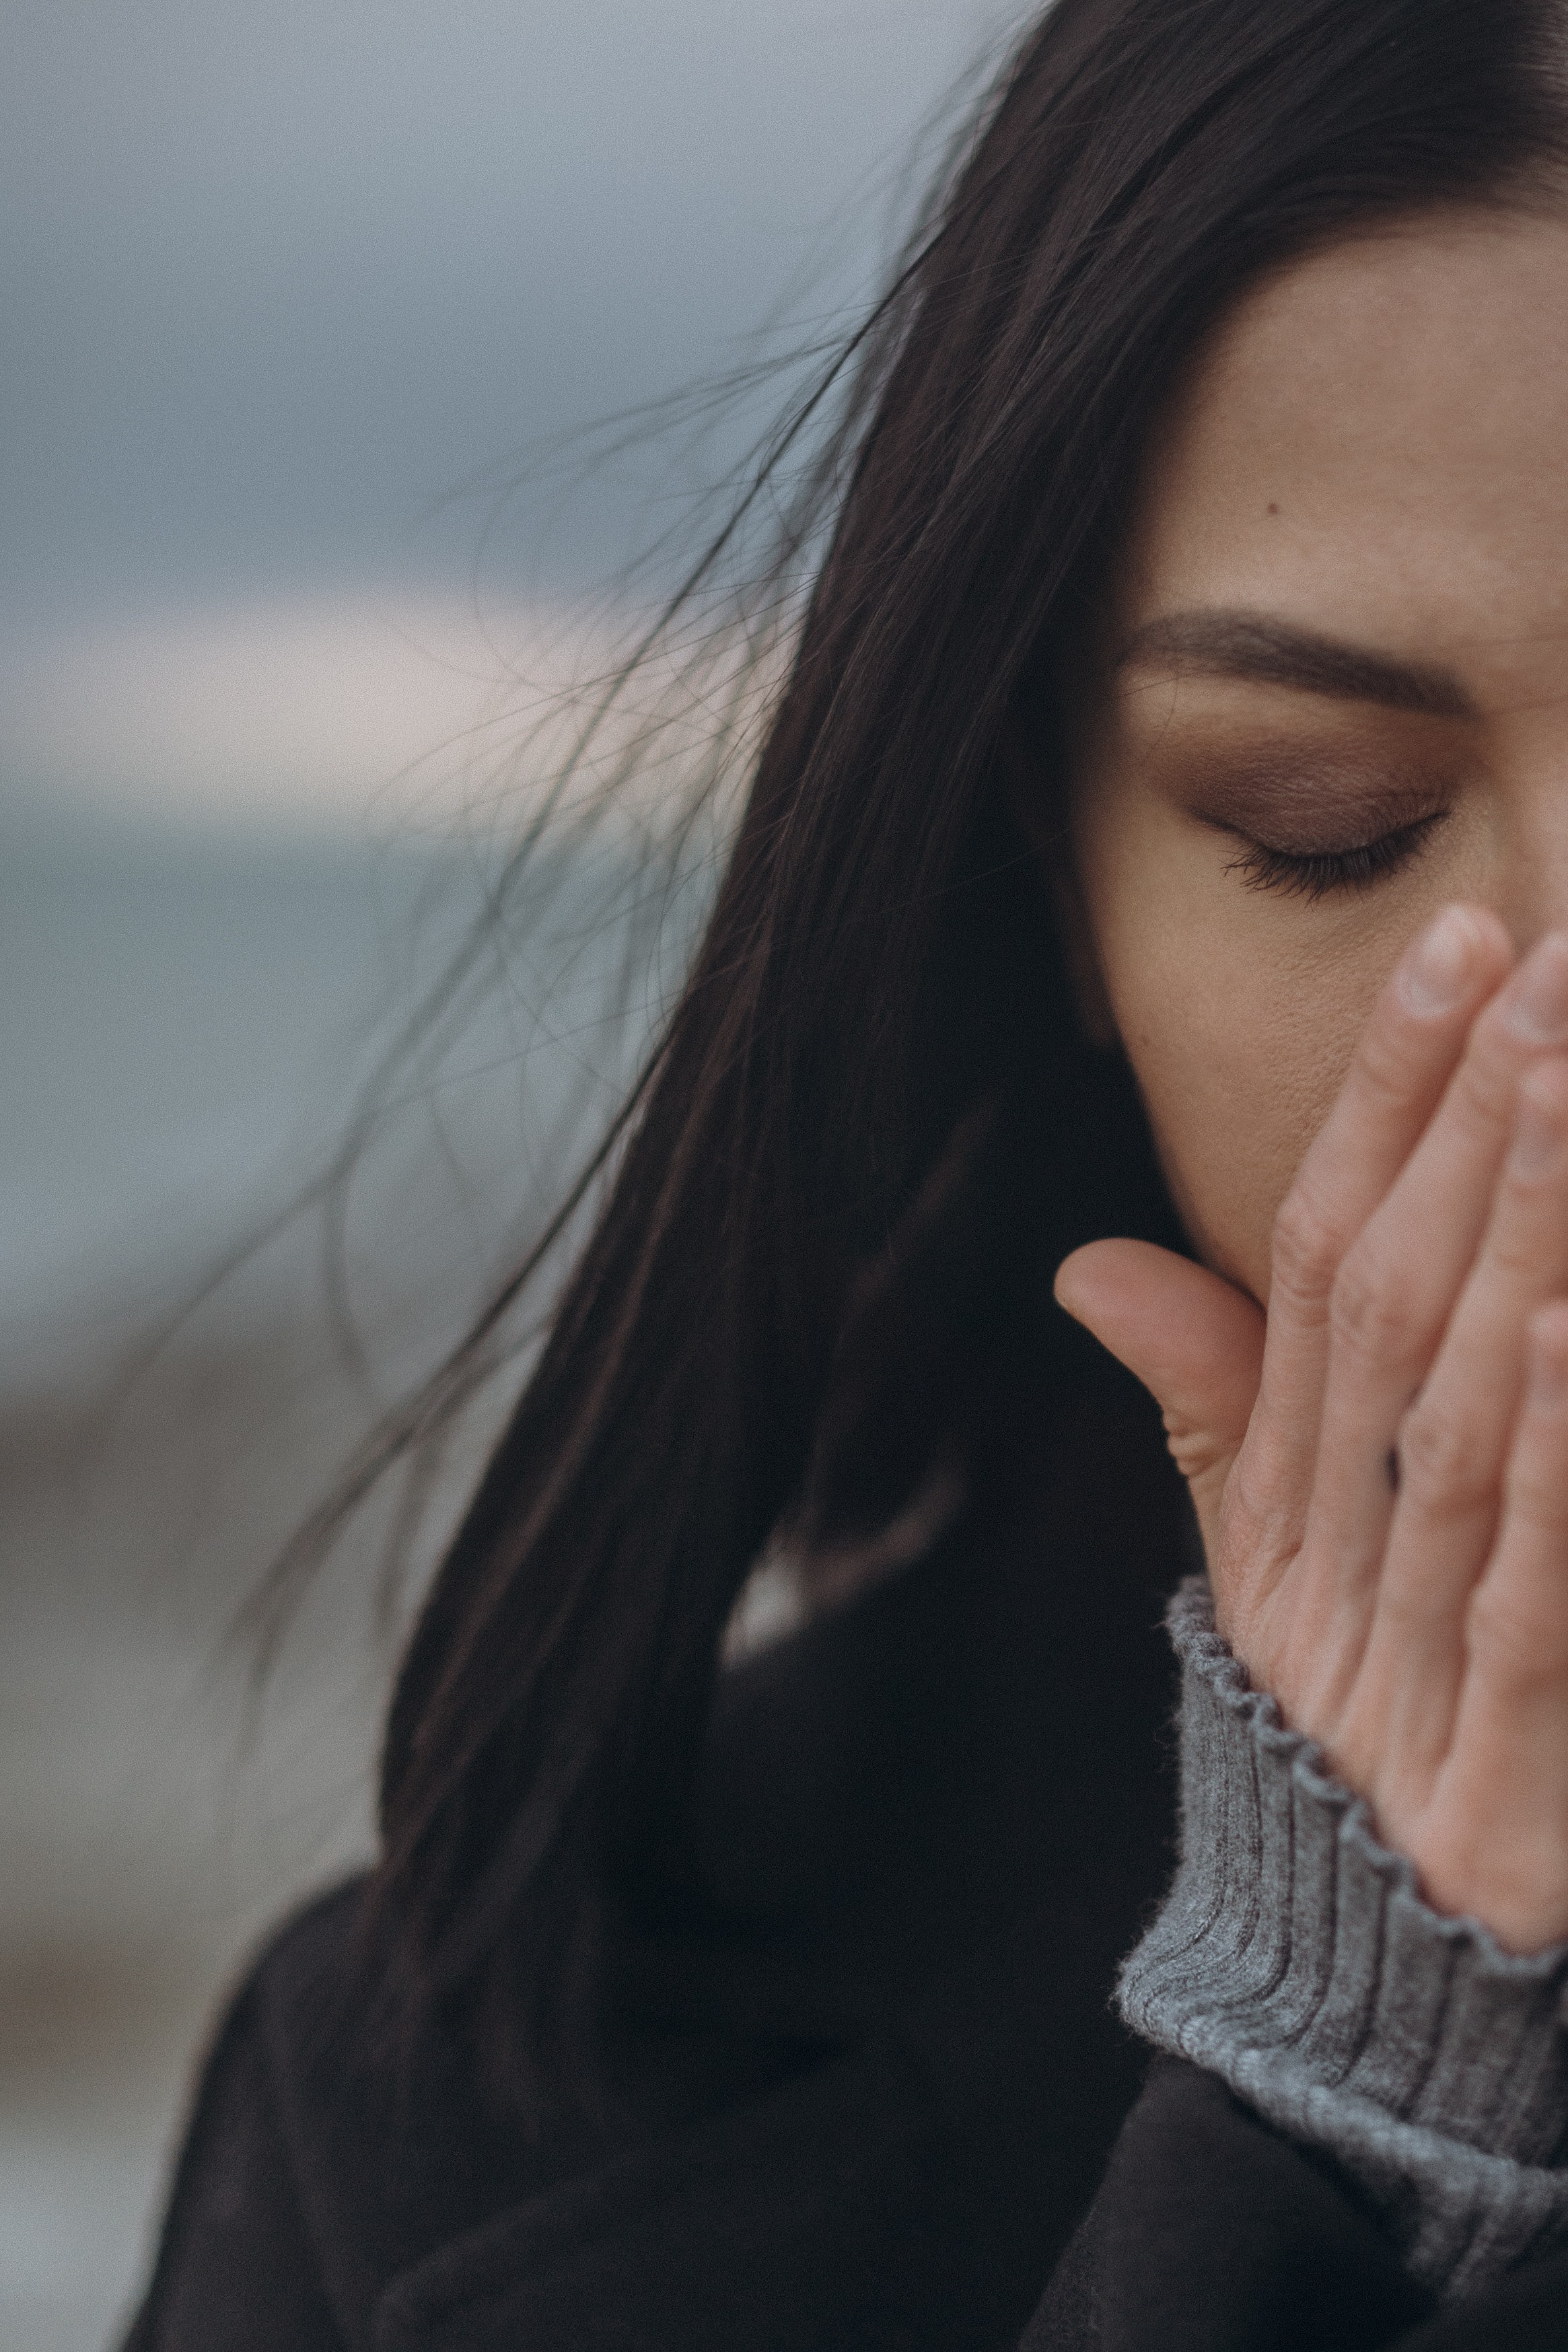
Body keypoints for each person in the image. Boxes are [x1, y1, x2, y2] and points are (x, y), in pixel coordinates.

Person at [124, 1, 1568, 2344]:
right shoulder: (457, 2122)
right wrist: (1354, 2106)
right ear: (1053, 855)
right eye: (1330, 828)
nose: (1531, 1051)